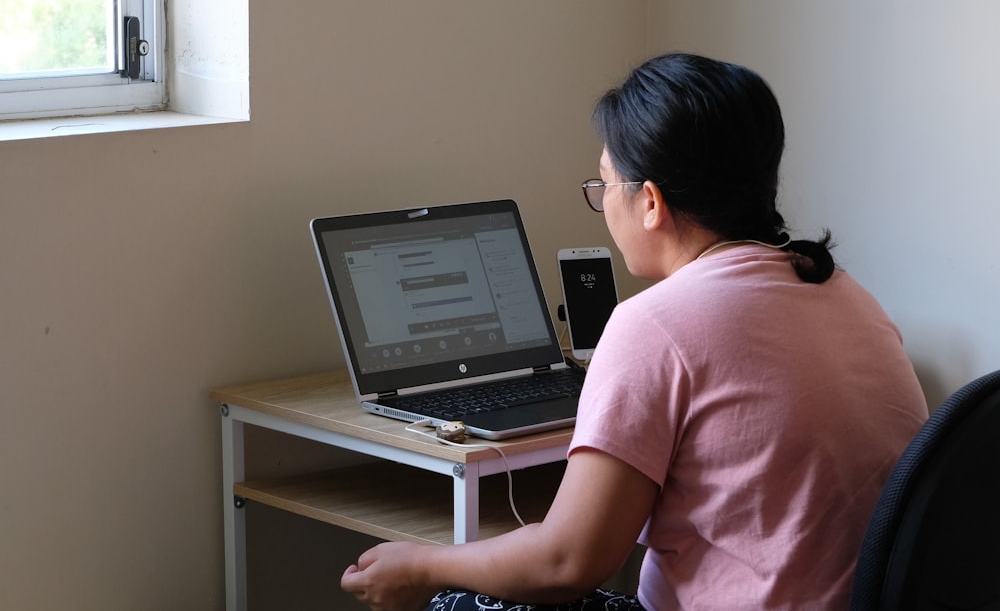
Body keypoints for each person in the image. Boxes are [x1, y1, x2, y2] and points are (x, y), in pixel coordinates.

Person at [340, 53, 929, 610]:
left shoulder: (655, 322)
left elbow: (566, 561)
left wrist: (420, 566)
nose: (603, 203)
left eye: (604, 185)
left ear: (649, 201)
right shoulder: (846, 293)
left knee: (455, 601)